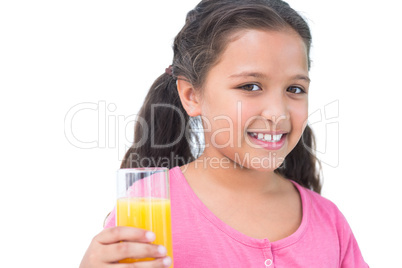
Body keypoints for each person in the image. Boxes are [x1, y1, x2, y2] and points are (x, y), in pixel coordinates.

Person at [80, 0, 369, 267]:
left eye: (295, 89)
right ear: (192, 95)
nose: (277, 113)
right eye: (251, 86)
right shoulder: (148, 213)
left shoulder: (329, 222)